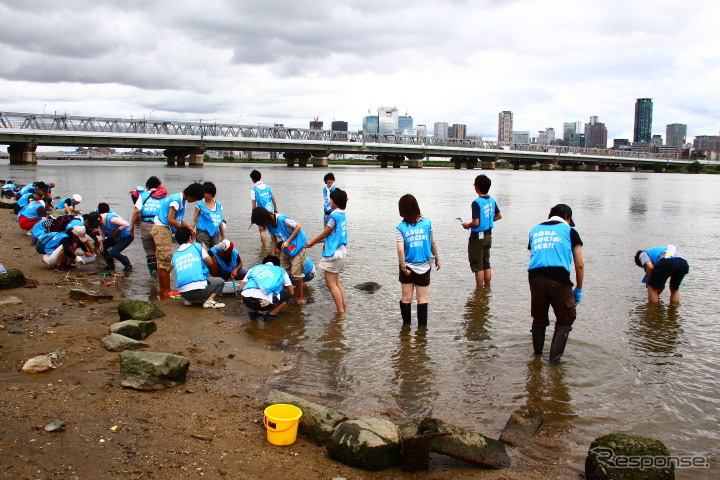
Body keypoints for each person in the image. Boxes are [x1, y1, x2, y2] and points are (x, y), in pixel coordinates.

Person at [527, 204, 584, 363]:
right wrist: (579, 289)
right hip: (558, 278)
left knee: (539, 318)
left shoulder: (535, 230)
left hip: (535, 277)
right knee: (566, 319)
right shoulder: (570, 231)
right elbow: (579, 264)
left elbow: (536, 253)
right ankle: (554, 362)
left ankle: (537, 356)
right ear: (567, 216)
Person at [151, 182, 205, 296]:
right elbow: (170, 219)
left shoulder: (181, 200)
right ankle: (167, 291)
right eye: (194, 198)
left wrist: (189, 228)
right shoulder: (176, 201)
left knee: (162, 261)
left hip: (162, 229)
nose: (194, 201)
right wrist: (184, 230)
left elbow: (178, 220)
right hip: (162, 229)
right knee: (166, 261)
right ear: (189, 194)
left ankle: (162, 288)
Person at [396, 194, 440, 327]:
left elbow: (400, 250)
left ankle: (406, 327)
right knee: (422, 299)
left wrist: (403, 268)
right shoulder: (427, 223)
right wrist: (437, 258)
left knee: (406, 298)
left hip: (407, 266)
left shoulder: (400, 227)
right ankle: (422, 330)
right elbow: (433, 243)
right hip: (424, 266)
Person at [250, 207, 308, 305]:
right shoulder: (269, 225)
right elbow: (273, 240)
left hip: (298, 246)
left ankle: (300, 296)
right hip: (286, 248)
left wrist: (288, 241)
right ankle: (285, 295)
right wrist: (272, 256)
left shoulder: (282, 219)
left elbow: (298, 227)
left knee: (296, 273)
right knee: (282, 271)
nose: (262, 225)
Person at [306, 188, 348, 314]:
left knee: (330, 283)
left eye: (331, 199)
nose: (329, 201)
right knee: (336, 281)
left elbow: (325, 233)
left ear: (335, 201)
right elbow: (332, 235)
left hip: (333, 255)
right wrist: (314, 243)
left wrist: (312, 241)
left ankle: (340, 310)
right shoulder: (342, 215)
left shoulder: (333, 216)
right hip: (341, 252)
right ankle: (344, 305)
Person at [462, 174, 502, 288]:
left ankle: (479, 290)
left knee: (478, 265)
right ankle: (487, 287)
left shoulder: (477, 202)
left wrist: (466, 225)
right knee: (486, 263)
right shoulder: (492, 200)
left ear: (477, 187)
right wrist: (488, 219)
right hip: (488, 236)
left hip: (477, 237)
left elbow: (476, 223)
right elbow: (499, 216)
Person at [171, 226, 226, 309]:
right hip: (199, 292)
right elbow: (210, 262)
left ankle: (188, 300)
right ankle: (209, 301)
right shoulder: (196, 246)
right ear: (190, 237)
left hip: (183, 293)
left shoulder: (175, 256)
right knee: (220, 281)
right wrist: (205, 250)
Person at [129, 176, 168, 278]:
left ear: (148, 186)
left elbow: (136, 211)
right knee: (162, 253)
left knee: (150, 253)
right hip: (160, 226)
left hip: (146, 225)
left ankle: (153, 270)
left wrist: (131, 226)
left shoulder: (143, 196)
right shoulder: (166, 197)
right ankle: (164, 275)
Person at [97, 203, 134, 271]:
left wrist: (117, 230)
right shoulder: (98, 222)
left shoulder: (111, 218)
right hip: (116, 236)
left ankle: (128, 265)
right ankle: (110, 266)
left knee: (114, 252)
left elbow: (126, 224)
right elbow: (101, 234)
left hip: (127, 236)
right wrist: (101, 244)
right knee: (101, 247)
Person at [192, 181, 226, 248]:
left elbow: (220, 222)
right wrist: (191, 230)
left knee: (214, 251)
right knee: (203, 251)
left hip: (215, 232)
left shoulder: (218, 205)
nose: (205, 194)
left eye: (207, 193)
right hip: (202, 232)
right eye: (204, 192)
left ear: (212, 194)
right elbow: (194, 220)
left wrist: (223, 236)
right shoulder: (200, 205)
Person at [249, 170, 277, 248]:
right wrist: (276, 209)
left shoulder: (254, 190)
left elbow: (253, 205)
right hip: (270, 211)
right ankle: (274, 245)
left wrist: (253, 217)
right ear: (260, 177)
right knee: (273, 229)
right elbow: (273, 199)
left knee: (262, 230)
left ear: (252, 179)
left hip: (260, 213)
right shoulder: (268, 187)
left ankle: (264, 247)